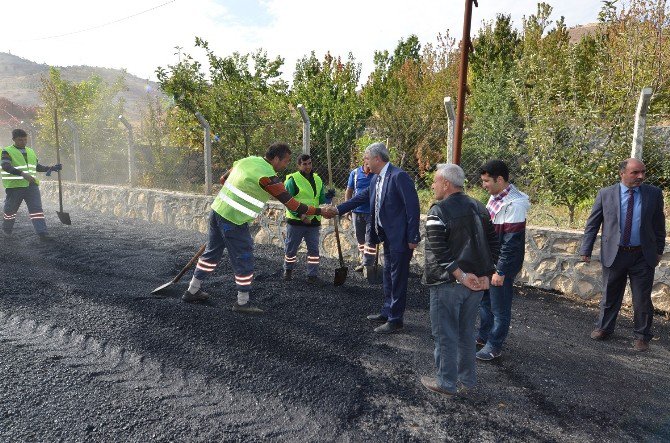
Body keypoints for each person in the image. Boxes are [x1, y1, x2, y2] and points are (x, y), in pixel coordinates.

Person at [183, 142, 330, 313]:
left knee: (212, 253)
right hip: (234, 220)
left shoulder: (247, 160)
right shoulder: (268, 177)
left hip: (217, 211)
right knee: (244, 257)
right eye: (285, 161)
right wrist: (320, 210)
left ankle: (192, 290)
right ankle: (242, 302)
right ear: (275, 158)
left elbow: (223, 180)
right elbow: (293, 205)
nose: (286, 165)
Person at [322, 142, 421, 334]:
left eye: (367, 158)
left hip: (400, 238)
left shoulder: (399, 176)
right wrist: (337, 209)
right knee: (388, 275)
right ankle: (387, 311)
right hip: (387, 237)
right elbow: (360, 198)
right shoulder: (376, 179)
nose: (365, 162)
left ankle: (396, 319)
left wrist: (413, 236)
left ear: (377, 158)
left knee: (398, 277)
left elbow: (413, 207)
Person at [420, 163, 500, 396]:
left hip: (448, 284)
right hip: (475, 285)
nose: (433, 185)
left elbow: (440, 251)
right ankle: (467, 381)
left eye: (435, 181)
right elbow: (494, 244)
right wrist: (485, 274)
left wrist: (462, 276)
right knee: (466, 334)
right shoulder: (479, 207)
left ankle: (446, 383)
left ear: (446, 183)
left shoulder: (439, 211)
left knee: (445, 334)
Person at [579, 158, 665, 352]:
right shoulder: (606, 194)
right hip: (615, 253)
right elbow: (593, 224)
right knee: (610, 294)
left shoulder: (653, 194)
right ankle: (604, 328)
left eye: (643, 172)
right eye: (635, 173)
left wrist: (659, 250)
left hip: (642, 255)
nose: (640, 176)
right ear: (622, 173)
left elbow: (660, 226)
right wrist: (586, 249)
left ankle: (642, 336)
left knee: (642, 298)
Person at [476, 160, 530, 361]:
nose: (484, 185)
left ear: (500, 179)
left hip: (501, 264)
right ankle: (484, 336)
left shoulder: (514, 204)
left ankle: (494, 344)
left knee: (499, 305)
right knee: (485, 301)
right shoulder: (497, 198)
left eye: (487, 181)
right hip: (490, 261)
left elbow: (511, 241)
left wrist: (500, 271)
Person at [282, 154, 334, 283]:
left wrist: (328, 196)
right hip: (296, 221)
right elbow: (287, 201)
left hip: (314, 221)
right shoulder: (292, 180)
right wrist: (300, 215)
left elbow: (320, 199)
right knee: (291, 248)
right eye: (304, 164)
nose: (308, 166)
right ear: (298, 165)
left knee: (314, 250)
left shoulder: (317, 179)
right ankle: (288, 270)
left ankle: (312, 275)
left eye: (309, 163)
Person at [2, 129, 62, 240]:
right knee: (10, 211)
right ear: (14, 139)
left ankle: (43, 233)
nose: (23, 142)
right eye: (20, 140)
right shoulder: (6, 151)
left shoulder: (30, 151)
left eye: (25, 139)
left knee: (37, 209)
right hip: (15, 187)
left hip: (31, 186)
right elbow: (6, 166)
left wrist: (51, 168)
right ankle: (7, 230)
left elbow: (36, 167)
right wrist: (22, 174)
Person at [345, 162, 376, 272]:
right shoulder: (355, 173)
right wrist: (348, 207)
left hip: (371, 212)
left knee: (370, 239)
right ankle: (364, 259)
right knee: (360, 238)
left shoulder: (377, 174)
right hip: (356, 211)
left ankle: (368, 264)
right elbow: (349, 191)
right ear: (365, 161)